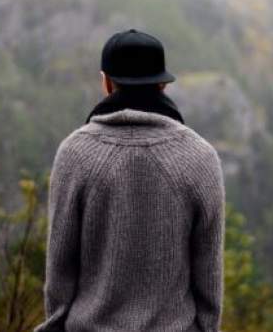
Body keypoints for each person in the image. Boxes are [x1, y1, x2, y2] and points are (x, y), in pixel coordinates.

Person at [33, 29, 226, 332]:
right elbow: (208, 271)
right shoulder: (200, 157)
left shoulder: (75, 153)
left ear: (106, 82)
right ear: (163, 84)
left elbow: (60, 269)